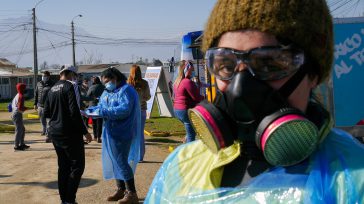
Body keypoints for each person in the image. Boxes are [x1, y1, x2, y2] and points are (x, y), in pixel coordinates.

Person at [145, 0, 364, 203]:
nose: (240, 89)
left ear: (313, 74)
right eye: (226, 65)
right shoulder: (182, 167)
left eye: (270, 64)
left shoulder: (354, 176)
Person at [86, 67, 141, 203]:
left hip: (123, 131)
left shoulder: (126, 90)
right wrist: (92, 110)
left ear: (115, 78)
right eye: (105, 82)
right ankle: (121, 189)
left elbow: (124, 110)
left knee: (121, 161)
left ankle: (132, 193)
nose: (106, 84)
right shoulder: (108, 91)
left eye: (108, 81)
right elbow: (101, 105)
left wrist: (104, 112)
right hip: (110, 131)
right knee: (114, 160)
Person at [44, 65, 92, 204]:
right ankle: (70, 199)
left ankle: (64, 199)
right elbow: (74, 112)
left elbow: (46, 112)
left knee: (63, 166)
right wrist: (85, 132)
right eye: (75, 75)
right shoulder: (71, 86)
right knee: (77, 166)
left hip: (55, 132)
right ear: (70, 74)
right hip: (69, 133)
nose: (75, 78)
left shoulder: (52, 88)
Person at [173, 60, 203, 143]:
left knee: (190, 129)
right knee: (191, 135)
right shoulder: (187, 82)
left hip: (177, 110)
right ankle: (188, 153)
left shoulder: (177, 82)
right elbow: (196, 98)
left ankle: (185, 141)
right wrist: (204, 97)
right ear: (187, 69)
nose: (193, 72)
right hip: (185, 110)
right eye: (192, 70)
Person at [127, 64, 151, 162]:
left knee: (131, 134)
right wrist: (142, 98)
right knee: (140, 134)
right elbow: (148, 97)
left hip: (131, 111)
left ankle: (132, 155)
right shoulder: (144, 83)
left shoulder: (128, 84)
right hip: (142, 110)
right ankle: (140, 157)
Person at [34, 71, 54, 142]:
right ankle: (44, 130)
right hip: (40, 105)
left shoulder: (52, 84)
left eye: (45, 76)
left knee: (48, 121)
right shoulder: (39, 83)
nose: (43, 77)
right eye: (43, 76)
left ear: (48, 76)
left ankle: (48, 135)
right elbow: (36, 94)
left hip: (48, 105)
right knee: (42, 119)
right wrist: (35, 104)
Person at [86, 76, 105, 143]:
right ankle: (99, 137)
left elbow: (87, 96)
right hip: (101, 106)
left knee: (94, 122)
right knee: (100, 122)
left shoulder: (91, 87)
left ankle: (95, 136)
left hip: (93, 106)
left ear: (94, 81)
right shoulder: (103, 87)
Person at [11, 83, 29, 151]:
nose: (25, 89)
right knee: (19, 130)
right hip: (17, 114)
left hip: (15, 113)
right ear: (22, 89)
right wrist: (26, 108)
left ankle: (21, 144)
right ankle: (16, 146)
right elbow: (20, 108)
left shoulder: (18, 94)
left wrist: (24, 108)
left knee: (22, 129)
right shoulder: (21, 96)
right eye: (24, 88)